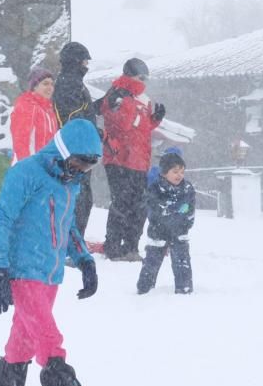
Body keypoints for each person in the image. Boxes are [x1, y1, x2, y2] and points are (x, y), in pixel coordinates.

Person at [0, 119, 110, 386]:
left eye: (88, 165)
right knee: (50, 343)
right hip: (23, 273)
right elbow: (1, 221)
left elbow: (66, 227)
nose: (81, 170)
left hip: (51, 276)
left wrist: (84, 259)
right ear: (62, 151)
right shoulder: (26, 174)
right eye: (78, 162)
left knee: (21, 345)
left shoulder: (70, 184)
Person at [100, 57, 165, 261]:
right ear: (129, 75)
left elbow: (140, 130)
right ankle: (113, 246)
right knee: (122, 203)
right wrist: (127, 103)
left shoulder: (143, 99)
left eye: (145, 77)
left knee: (139, 206)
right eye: (140, 77)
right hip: (119, 158)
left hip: (139, 159)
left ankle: (131, 247)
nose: (143, 81)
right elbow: (122, 126)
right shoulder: (115, 95)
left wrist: (154, 120)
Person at [51, 42, 96, 235]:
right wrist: (91, 131)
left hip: (79, 149)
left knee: (82, 198)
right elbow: (71, 117)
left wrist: (101, 106)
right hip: (74, 151)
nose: (86, 65)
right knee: (78, 199)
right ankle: (70, 242)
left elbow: (82, 112)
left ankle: (72, 240)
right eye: (85, 61)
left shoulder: (73, 82)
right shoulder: (69, 83)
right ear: (75, 61)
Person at [137, 150, 195, 295]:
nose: (179, 175)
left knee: (182, 262)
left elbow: (190, 210)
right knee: (151, 262)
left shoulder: (187, 189)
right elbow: (154, 208)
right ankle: (144, 287)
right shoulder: (156, 189)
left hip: (179, 231)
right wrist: (168, 211)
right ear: (164, 173)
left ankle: (184, 288)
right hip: (158, 231)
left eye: (182, 172)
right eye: (175, 172)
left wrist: (186, 222)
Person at [11, 66, 59, 161]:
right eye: (45, 84)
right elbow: (21, 141)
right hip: (29, 168)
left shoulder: (48, 110)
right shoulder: (28, 106)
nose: (50, 88)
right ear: (35, 87)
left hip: (45, 166)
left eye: (51, 84)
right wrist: (29, 168)